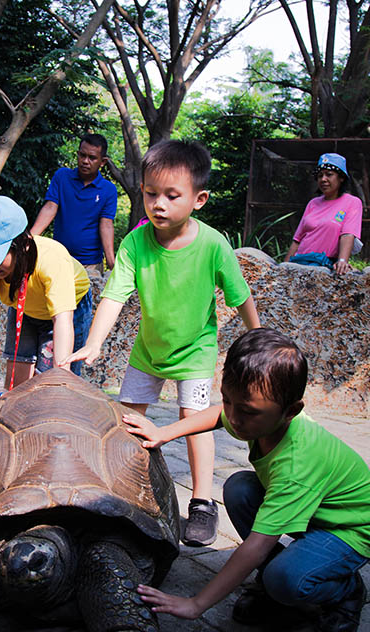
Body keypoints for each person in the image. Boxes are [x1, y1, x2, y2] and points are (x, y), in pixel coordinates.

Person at [129, 328, 370, 632]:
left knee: (284, 581)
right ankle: (284, 575)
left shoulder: (296, 463)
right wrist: (165, 432)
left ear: (291, 412)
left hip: (349, 529)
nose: (233, 418)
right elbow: (217, 416)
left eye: (247, 411)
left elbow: (257, 544)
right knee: (239, 488)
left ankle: (344, 590)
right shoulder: (253, 416)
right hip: (316, 511)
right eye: (227, 400)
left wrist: (197, 604)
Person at [64, 139, 260, 547]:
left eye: (172, 195)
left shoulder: (212, 245)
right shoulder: (136, 242)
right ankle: (117, 487)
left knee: (195, 421)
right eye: (151, 193)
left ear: (199, 199)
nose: (159, 204)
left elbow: (239, 295)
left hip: (196, 353)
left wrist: (256, 337)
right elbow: (115, 295)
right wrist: (95, 343)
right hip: (147, 352)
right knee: (127, 420)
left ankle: (202, 503)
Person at [0, 195, 92, 405]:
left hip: (67, 310)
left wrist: (60, 379)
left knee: (51, 384)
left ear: (23, 244)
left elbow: (62, 322)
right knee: (17, 384)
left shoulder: (51, 260)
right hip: (24, 307)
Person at [30, 133, 119, 275]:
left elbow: (106, 224)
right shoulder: (62, 177)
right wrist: (30, 238)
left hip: (90, 264)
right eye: (82, 155)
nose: (85, 161)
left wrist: (111, 263)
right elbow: (50, 207)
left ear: (102, 162)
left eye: (92, 158)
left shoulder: (108, 190)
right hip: (59, 259)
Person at [283, 152, 363, 275]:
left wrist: (342, 261)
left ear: (341, 178)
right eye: (320, 176)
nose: (323, 179)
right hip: (299, 262)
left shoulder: (352, 202)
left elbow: (348, 234)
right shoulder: (313, 203)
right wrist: (284, 267)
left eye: (329, 175)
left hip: (323, 265)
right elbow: (297, 239)